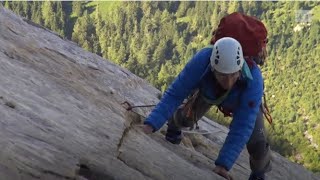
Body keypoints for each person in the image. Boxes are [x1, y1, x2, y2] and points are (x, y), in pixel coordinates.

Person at [142, 13, 272, 180]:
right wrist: (150, 124)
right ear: (212, 67)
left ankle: (259, 174)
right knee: (185, 119)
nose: (228, 81)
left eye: (233, 75)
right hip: (209, 90)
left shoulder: (253, 80)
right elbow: (176, 94)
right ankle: (174, 126)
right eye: (223, 75)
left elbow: (243, 125)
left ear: (241, 68)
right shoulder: (202, 61)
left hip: (238, 99)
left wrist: (223, 165)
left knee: (259, 147)